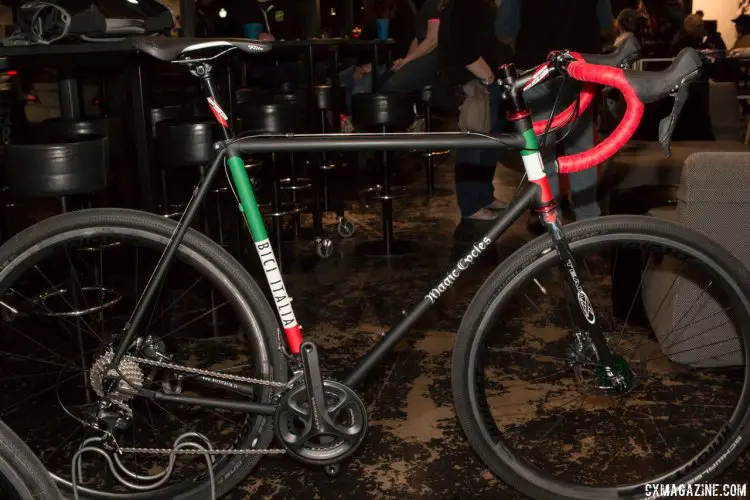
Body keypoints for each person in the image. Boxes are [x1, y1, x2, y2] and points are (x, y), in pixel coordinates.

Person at [496, 0, 613, 231]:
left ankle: (549, 219)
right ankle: (589, 221)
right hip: (578, 68)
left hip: (534, 68)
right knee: (582, 146)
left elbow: (504, 31)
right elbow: (606, 26)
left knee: (540, 149)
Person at [439, 0, 511, 223]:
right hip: (475, 80)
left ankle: (483, 195)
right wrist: (488, 76)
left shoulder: (477, 5)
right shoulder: (466, 6)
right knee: (475, 141)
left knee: (488, 141)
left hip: (484, 79)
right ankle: (470, 204)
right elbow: (463, 48)